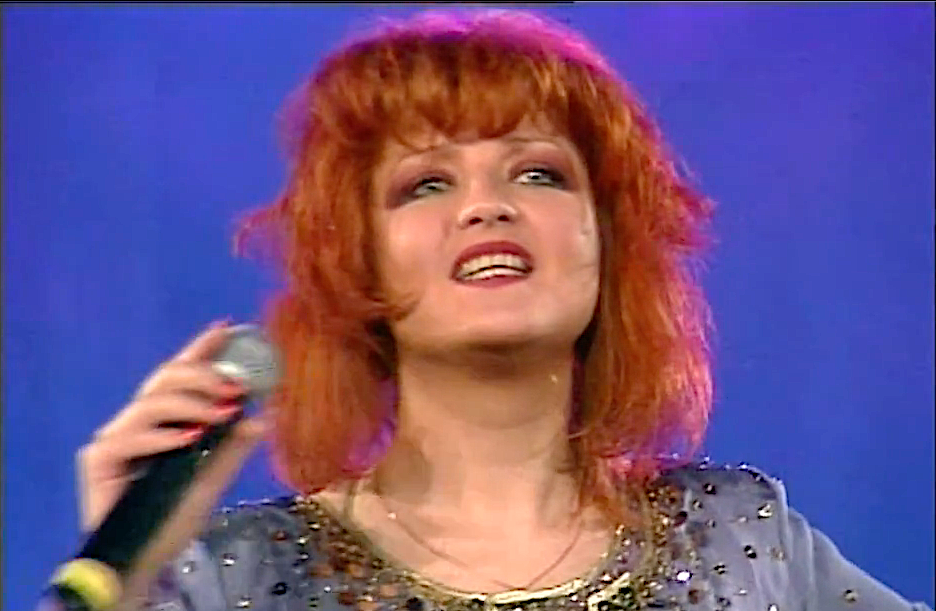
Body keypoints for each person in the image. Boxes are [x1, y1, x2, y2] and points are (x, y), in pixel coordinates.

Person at [75, 9, 930, 611]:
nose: (487, 206)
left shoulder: (741, 536)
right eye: (426, 183)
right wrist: (124, 576)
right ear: (354, 261)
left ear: (608, 241)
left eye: (539, 173)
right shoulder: (237, 576)